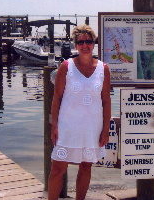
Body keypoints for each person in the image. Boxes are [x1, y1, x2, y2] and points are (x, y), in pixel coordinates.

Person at [48, 25, 111, 200]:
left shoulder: (103, 68)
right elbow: (57, 98)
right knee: (58, 169)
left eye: (88, 41)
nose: (85, 45)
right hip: (68, 126)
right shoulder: (66, 66)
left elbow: (106, 101)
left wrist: (105, 129)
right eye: (81, 41)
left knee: (86, 166)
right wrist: (54, 126)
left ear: (93, 43)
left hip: (92, 127)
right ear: (76, 44)